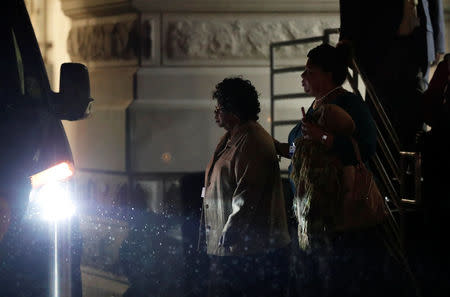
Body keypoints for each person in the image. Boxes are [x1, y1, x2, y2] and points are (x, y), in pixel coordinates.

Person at [274, 43, 417, 297]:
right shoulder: (315, 108)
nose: (303, 77)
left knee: (340, 281)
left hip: (341, 215)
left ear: (328, 74)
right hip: (314, 214)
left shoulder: (349, 103)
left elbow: (367, 146)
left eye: (310, 71)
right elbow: (302, 152)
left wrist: (324, 137)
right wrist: (276, 148)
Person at [201, 77, 291, 297]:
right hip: (234, 248)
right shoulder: (231, 137)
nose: (216, 113)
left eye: (219, 108)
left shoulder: (252, 140)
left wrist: (230, 232)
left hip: (250, 251)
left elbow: (248, 193)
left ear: (234, 111)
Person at [339, 0, 445, 150]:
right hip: (378, 37)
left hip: (419, 41)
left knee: (417, 117)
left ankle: (411, 170)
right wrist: (347, 37)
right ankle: (385, 171)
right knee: (381, 118)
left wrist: (438, 38)